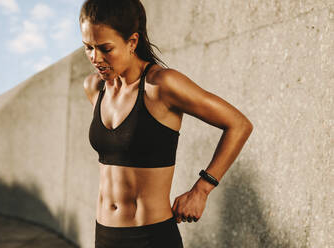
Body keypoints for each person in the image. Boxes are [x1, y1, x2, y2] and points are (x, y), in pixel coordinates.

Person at [79, 0, 253, 247]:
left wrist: (202, 189)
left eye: (105, 48)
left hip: (151, 237)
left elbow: (238, 124)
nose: (95, 58)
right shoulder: (94, 88)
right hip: (105, 235)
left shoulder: (161, 85)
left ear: (132, 42)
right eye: (88, 47)